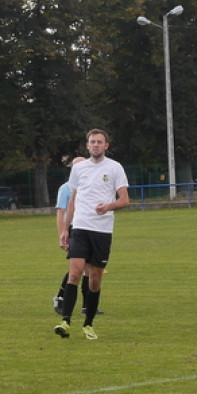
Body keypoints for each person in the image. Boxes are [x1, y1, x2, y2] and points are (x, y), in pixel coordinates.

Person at [55, 129, 129, 340]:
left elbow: (125, 200)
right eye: (92, 142)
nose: (95, 145)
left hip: (102, 231)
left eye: (99, 142)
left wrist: (108, 206)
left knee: (94, 281)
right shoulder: (79, 169)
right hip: (80, 227)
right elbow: (73, 200)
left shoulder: (115, 168)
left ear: (106, 145)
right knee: (75, 273)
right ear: (87, 145)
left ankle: (88, 324)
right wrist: (65, 229)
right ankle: (65, 322)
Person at [53, 157, 100, 317]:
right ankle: (61, 298)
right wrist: (62, 233)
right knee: (80, 267)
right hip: (73, 229)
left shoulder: (90, 187)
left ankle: (87, 305)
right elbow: (61, 212)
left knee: (89, 267)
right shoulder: (66, 188)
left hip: (89, 228)